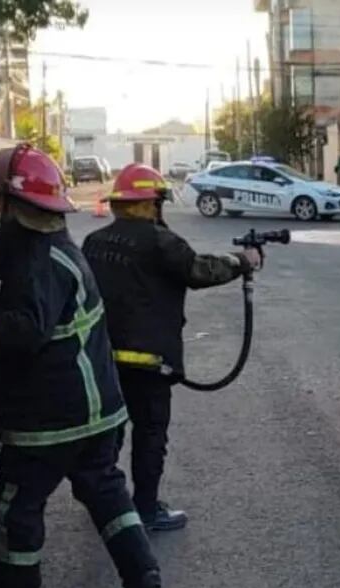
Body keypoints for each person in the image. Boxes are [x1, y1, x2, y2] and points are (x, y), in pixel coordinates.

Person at [0, 144, 160, 588]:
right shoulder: (42, 246)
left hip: (50, 418)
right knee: (106, 492)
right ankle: (141, 571)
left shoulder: (36, 263)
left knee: (15, 508)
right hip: (98, 412)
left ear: (11, 202)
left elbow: (24, 329)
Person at [82, 164, 261, 532]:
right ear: (152, 203)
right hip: (149, 361)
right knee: (149, 434)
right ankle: (146, 510)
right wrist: (243, 262)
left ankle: (106, 504)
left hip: (102, 359)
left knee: (109, 432)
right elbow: (197, 270)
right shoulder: (160, 241)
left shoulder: (94, 242)